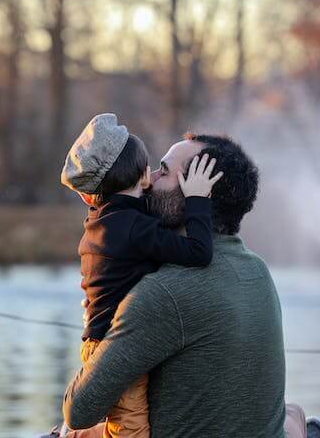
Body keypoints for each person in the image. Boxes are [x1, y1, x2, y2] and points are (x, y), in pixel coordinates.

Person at [59, 133, 320, 438]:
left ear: (197, 194)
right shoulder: (257, 269)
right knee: (291, 413)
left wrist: (101, 326)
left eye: (164, 170)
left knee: (65, 433)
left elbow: (78, 409)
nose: (150, 180)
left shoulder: (162, 294)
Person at [59, 113, 224, 438]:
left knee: (127, 422)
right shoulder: (134, 229)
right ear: (142, 174)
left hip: (101, 339)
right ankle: (67, 435)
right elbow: (199, 253)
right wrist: (196, 201)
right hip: (116, 345)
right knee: (131, 432)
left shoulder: (106, 220)